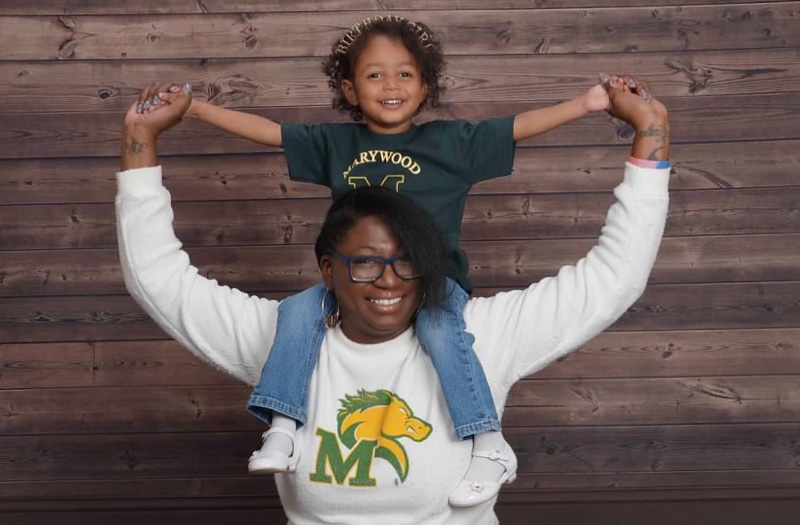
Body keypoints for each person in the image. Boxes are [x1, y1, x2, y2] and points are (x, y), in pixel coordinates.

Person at [117, 72, 670, 521]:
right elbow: (160, 279)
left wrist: (651, 137)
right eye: (365, 262)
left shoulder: (483, 336)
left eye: (407, 261)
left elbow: (613, 277)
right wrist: (140, 143)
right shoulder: (285, 338)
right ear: (329, 271)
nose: (388, 279)